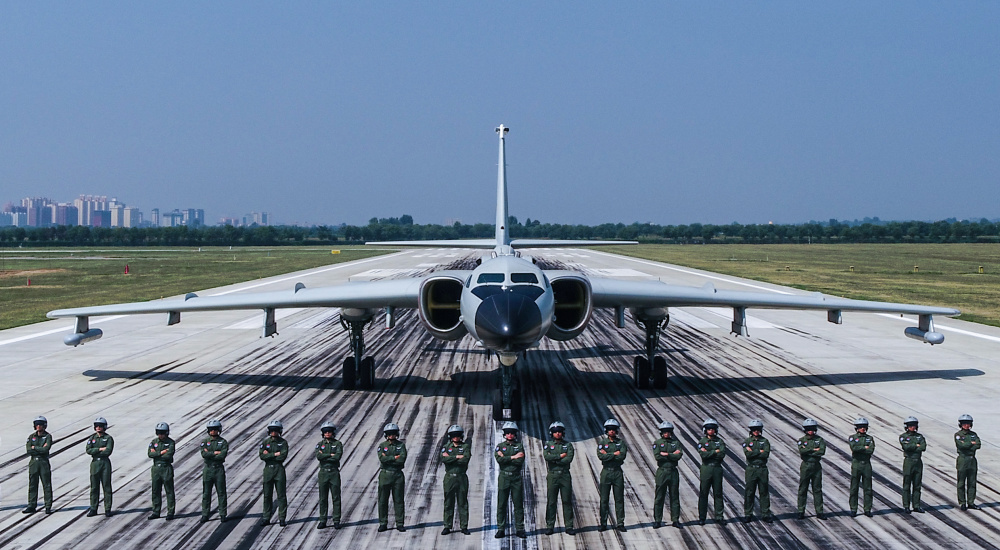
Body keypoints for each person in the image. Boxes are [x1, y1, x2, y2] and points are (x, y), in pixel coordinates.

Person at [494, 421, 527, 539]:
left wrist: (505, 457)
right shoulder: (500, 446)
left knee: (518, 504)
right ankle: (501, 529)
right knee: (501, 504)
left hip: (516, 477)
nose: (510, 435)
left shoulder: (520, 446)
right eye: (507, 433)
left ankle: (520, 528)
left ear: (515, 434)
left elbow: (520, 461)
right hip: (504, 477)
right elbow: (499, 460)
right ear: (504, 434)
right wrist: (513, 457)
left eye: (512, 433)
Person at [543, 421, 575, 535]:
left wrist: (554, 459)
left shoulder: (568, 445)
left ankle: (569, 525)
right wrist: (560, 456)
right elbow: (547, 456)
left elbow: (568, 459)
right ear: (552, 433)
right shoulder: (548, 444)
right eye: (555, 432)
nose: (558, 434)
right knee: (551, 501)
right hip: (553, 475)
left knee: (567, 501)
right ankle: (550, 525)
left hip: (565, 475)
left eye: (560, 432)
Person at [598, 418, 629, 532]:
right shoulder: (602, 443)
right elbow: (601, 456)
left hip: (617, 472)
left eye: (613, 429)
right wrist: (614, 454)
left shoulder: (621, 443)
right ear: (606, 430)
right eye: (610, 429)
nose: (612, 431)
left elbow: (622, 456)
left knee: (619, 499)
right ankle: (603, 523)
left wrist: (608, 454)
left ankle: (620, 523)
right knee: (604, 499)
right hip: (606, 471)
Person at [440, 424, 472, 535]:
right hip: (449, 477)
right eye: (453, 435)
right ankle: (447, 526)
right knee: (448, 502)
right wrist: (457, 457)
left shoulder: (465, 447)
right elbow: (443, 459)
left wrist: (451, 458)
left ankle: (464, 526)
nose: (456, 437)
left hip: (461, 476)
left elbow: (465, 460)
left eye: (457, 435)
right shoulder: (446, 446)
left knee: (462, 502)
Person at [652, 420, 684, 529]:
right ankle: (657, 520)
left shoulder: (676, 443)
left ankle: (675, 519)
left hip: (673, 470)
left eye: (668, 432)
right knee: (659, 496)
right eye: (664, 432)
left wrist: (666, 454)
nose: (667, 434)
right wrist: (672, 454)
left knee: (674, 496)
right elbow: (658, 456)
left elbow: (679, 455)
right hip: (662, 471)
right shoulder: (657, 443)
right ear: (661, 432)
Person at [377, 422, 407, 532]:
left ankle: (400, 523)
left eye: (393, 433)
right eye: (389, 433)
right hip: (385, 474)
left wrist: (389, 458)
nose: (391, 435)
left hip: (397, 474)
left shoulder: (401, 445)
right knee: (382, 500)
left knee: (398, 500)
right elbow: (382, 459)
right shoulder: (382, 446)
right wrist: (394, 457)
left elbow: (402, 459)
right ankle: (383, 523)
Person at [259, 420, 289, 526]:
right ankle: (266, 517)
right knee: (267, 495)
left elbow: (282, 456)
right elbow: (262, 456)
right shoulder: (265, 442)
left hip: (279, 469)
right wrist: (275, 454)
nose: (274, 432)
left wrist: (270, 454)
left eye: (276, 430)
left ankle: (282, 518)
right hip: (268, 470)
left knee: (281, 495)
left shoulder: (283, 443)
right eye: (272, 430)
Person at [697, 418, 726, 525]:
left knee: (718, 493)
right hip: (706, 468)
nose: (711, 431)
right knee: (704, 493)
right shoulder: (702, 441)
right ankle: (702, 517)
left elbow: (721, 455)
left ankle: (719, 516)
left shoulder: (720, 441)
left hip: (717, 468)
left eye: (713, 429)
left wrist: (709, 452)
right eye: (709, 429)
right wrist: (715, 452)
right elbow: (703, 455)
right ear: (705, 430)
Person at [743, 419, 773, 523]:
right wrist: (759, 451)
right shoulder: (747, 441)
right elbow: (748, 454)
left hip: (762, 469)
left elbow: (766, 454)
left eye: (758, 430)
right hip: (751, 468)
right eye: (754, 430)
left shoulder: (765, 441)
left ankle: (765, 513)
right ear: (751, 431)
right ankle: (748, 513)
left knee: (764, 491)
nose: (756, 431)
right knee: (749, 492)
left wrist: (753, 452)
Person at [797, 418, 827, 520]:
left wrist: (809, 451)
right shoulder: (802, 440)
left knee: (817, 489)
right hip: (806, 465)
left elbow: (822, 451)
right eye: (808, 429)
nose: (810, 431)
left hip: (816, 465)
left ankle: (819, 511)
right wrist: (814, 450)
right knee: (803, 489)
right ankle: (801, 511)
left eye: (812, 429)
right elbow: (802, 451)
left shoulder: (819, 440)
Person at [315, 421, 343, 529]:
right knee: (323, 498)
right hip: (323, 472)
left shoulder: (338, 444)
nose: (327, 433)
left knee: (336, 497)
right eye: (325, 432)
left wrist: (325, 455)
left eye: (329, 431)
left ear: (333, 432)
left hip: (334, 472)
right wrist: (330, 454)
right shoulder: (320, 444)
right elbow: (318, 456)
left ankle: (336, 520)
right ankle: (323, 519)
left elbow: (337, 457)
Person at [200, 419, 229, 523]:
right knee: (206, 493)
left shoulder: (223, 442)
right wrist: (215, 453)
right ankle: (205, 514)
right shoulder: (204, 442)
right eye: (211, 430)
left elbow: (222, 456)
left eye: (215, 429)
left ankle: (223, 513)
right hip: (208, 469)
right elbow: (204, 454)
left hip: (218, 469)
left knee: (221, 492)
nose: (213, 431)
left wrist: (211, 453)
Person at [24, 416, 53, 515]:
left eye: (40, 424)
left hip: (43, 462)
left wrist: (34, 447)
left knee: (46, 484)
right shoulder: (31, 436)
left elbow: (46, 449)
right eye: (37, 424)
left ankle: (48, 505)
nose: (38, 426)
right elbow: (29, 450)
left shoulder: (48, 436)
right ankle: (31, 505)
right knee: (32, 484)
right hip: (33, 462)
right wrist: (39, 448)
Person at [86, 417, 114, 517]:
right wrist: (100, 449)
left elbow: (108, 451)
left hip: (104, 463)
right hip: (94, 463)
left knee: (106, 486)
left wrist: (97, 450)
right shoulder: (92, 438)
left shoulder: (108, 438)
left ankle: (108, 508)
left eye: (100, 426)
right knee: (94, 487)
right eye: (97, 426)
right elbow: (88, 450)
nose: (98, 428)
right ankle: (93, 508)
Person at [147, 422, 176, 520]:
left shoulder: (171, 442)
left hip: (166, 468)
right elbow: (150, 454)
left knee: (169, 491)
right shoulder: (154, 441)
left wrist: (157, 453)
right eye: (159, 432)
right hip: (156, 469)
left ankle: (170, 511)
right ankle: (156, 511)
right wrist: (161, 452)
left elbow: (169, 455)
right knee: (155, 491)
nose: (160, 435)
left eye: (162, 433)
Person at [848, 417, 875, 518]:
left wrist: (861, 448)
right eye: (860, 427)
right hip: (856, 464)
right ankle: (853, 508)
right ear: (856, 428)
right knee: (854, 487)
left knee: (868, 488)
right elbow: (854, 448)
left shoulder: (870, 438)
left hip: (867, 464)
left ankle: (867, 509)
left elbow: (871, 450)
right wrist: (865, 447)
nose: (863, 429)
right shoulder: (852, 437)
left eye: (864, 427)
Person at [899, 416, 926, 514]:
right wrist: (916, 445)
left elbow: (923, 447)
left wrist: (913, 446)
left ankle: (916, 505)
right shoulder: (903, 436)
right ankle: (906, 505)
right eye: (910, 426)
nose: (912, 427)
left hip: (918, 461)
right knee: (907, 484)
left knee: (917, 485)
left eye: (914, 425)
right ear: (906, 426)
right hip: (909, 461)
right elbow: (906, 447)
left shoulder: (920, 436)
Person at [955, 414, 982, 511]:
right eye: (964, 424)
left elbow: (978, 444)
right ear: (961, 425)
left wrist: (968, 444)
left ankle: (971, 502)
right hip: (963, 459)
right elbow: (961, 446)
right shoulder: (958, 435)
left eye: (968, 424)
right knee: (961, 482)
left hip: (972, 460)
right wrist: (971, 443)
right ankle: (962, 502)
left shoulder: (973, 434)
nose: (966, 425)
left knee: (972, 482)